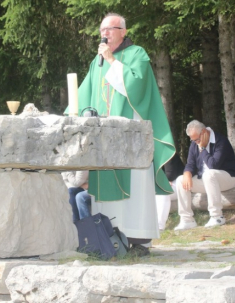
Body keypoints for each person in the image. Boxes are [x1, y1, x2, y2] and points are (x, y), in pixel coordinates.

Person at [74, 13, 175, 257]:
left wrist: (111, 61)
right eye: (102, 30)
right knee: (106, 189)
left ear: (123, 31)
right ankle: (109, 237)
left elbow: (136, 87)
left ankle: (139, 240)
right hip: (104, 137)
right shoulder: (96, 62)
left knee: (136, 186)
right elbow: (83, 94)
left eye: (109, 29)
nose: (104, 34)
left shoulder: (136, 54)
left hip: (131, 137)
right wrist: (69, 113)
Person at [174, 120, 235, 230]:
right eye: (193, 140)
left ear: (205, 132)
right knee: (181, 180)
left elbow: (213, 165)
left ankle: (217, 217)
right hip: (207, 180)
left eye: (197, 139)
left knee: (209, 174)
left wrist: (202, 148)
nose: (195, 142)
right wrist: (187, 173)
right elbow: (190, 163)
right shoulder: (195, 143)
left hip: (229, 177)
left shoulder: (221, 141)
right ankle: (187, 220)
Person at [155, 153, 184, 231]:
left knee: (163, 192)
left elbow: (170, 175)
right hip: (162, 184)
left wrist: (163, 181)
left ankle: (159, 226)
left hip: (179, 184)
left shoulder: (167, 152)